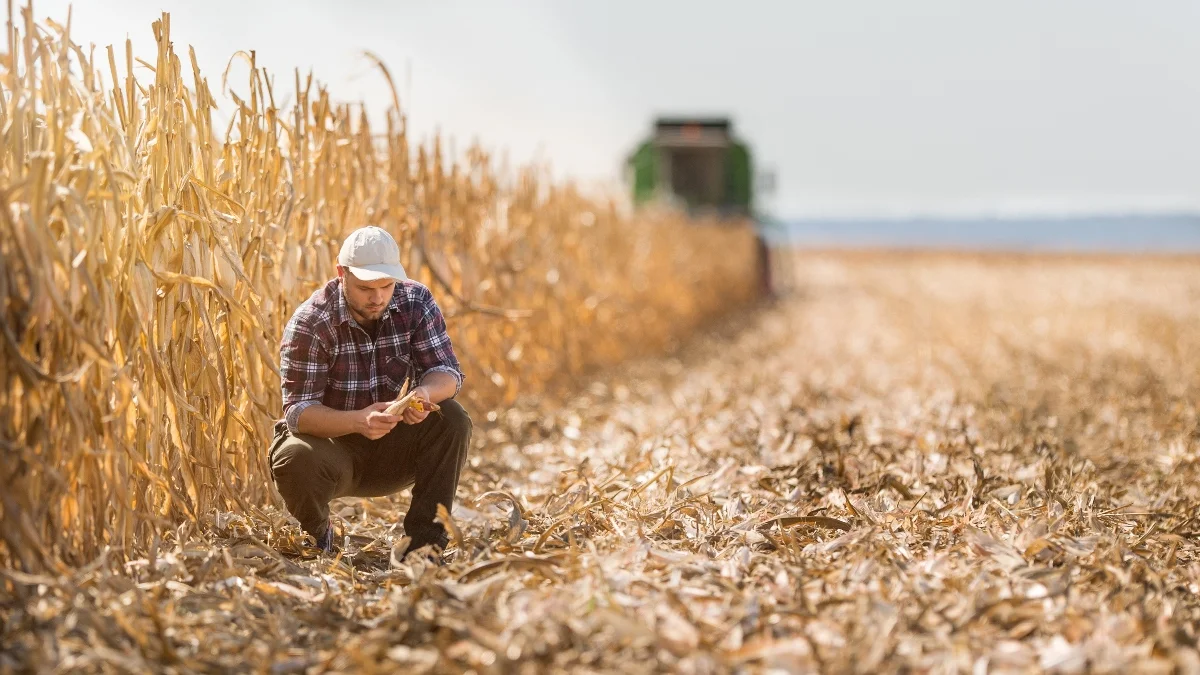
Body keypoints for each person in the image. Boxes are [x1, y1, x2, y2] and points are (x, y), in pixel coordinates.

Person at [267, 225, 472, 561]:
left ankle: (424, 547)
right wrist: (359, 421)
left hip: (392, 444)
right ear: (341, 274)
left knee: (453, 418)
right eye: (365, 288)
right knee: (294, 456)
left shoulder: (415, 301)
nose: (377, 297)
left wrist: (422, 394)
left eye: (386, 286)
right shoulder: (312, 322)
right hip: (332, 449)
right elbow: (298, 414)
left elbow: (448, 373)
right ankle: (319, 537)